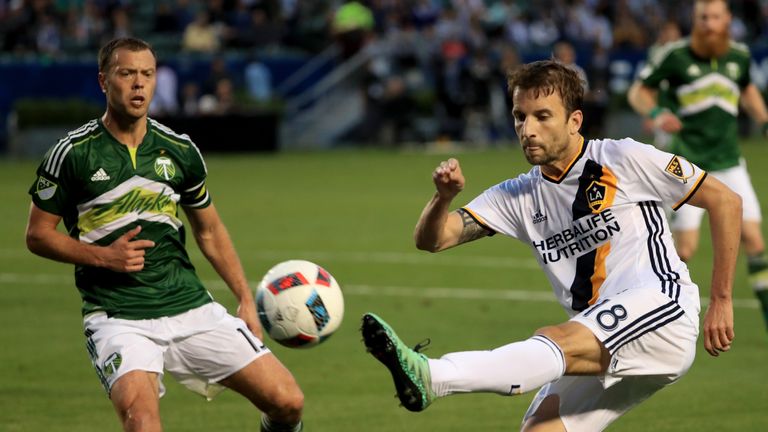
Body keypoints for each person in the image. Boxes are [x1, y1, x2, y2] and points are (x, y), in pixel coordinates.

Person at [362, 60, 739, 431]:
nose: (528, 129)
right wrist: (443, 197)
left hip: (661, 310)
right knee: (542, 428)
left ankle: (435, 376)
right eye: (519, 117)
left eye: (542, 116)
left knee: (556, 339)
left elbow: (725, 201)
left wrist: (720, 299)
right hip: (600, 337)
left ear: (574, 121)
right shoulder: (518, 195)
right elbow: (433, 239)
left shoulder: (623, 158)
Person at [25, 37, 304, 432]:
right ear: (104, 81)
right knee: (143, 425)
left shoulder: (179, 150)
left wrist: (243, 296)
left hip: (189, 306)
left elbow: (209, 230)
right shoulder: (72, 153)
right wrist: (105, 257)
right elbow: (37, 235)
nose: (139, 84)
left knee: (288, 402)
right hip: (119, 317)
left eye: (147, 74)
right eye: (127, 74)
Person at [627, 0, 768, 328]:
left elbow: (746, 90)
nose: (709, 23)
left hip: (730, 161)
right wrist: (656, 113)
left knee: (755, 241)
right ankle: (653, 313)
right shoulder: (675, 55)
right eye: (703, 17)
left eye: (715, 17)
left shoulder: (739, 56)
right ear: (695, 19)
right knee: (685, 249)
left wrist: (763, 119)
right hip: (688, 167)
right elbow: (638, 92)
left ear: (727, 20)